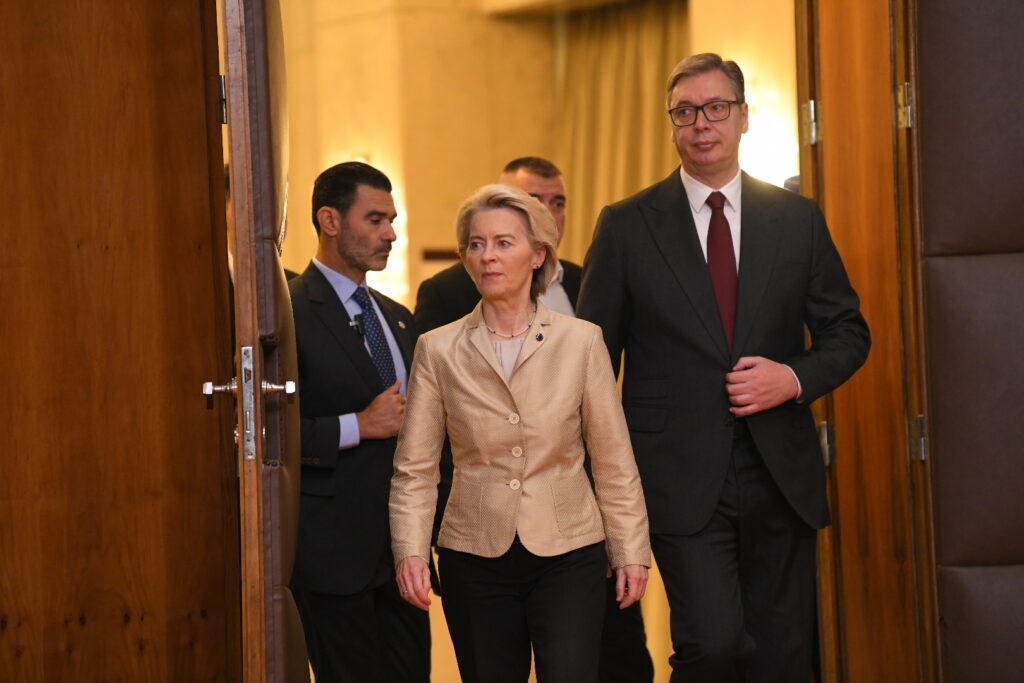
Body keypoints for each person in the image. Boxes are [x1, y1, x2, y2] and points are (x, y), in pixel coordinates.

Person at [576, 53, 871, 682]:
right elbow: (591, 362)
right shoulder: (627, 226)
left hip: (779, 473)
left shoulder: (796, 219)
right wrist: (599, 487)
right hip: (675, 475)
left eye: (715, 108)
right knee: (713, 647)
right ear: (672, 125)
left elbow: (848, 332)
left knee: (784, 658)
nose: (700, 124)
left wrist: (792, 378)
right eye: (684, 112)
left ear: (743, 117)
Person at [390, 184, 651, 683]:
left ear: (538, 255)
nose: (487, 255)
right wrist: (411, 551)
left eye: (503, 243)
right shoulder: (438, 349)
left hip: (569, 550)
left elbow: (614, 458)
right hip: (473, 555)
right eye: (476, 244)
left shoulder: (581, 341)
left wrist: (631, 551)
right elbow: (415, 470)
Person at [289, 162, 429, 682]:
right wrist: (358, 425)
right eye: (375, 220)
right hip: (332, 559)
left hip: (403, 556)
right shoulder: (288, 312)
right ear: (330, 220)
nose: (390, 234)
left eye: (391, 221)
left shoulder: (396, 315)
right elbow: (265, 432)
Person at [414, 157, 582, 329]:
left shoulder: (583, 282)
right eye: (533, 201)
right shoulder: (444, 292)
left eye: (557, 203)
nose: (548, 214)